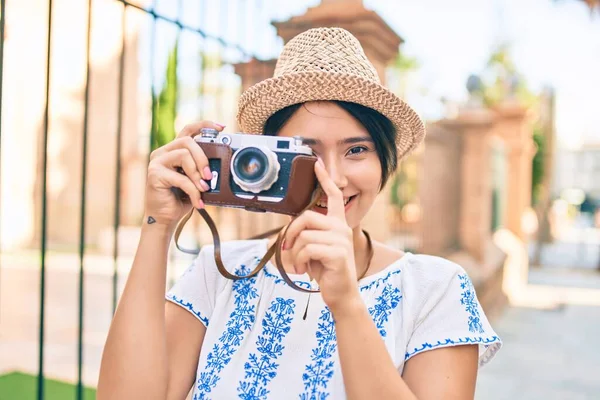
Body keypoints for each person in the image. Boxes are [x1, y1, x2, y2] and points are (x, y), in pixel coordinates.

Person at [98, 27, 501, 400]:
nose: (333, 179)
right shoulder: (217, 273)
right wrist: (157, 226)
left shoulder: (436, 289)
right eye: (305, 153)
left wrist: (346, 303)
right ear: (267, 162)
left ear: (385, 162)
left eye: (356, 150)